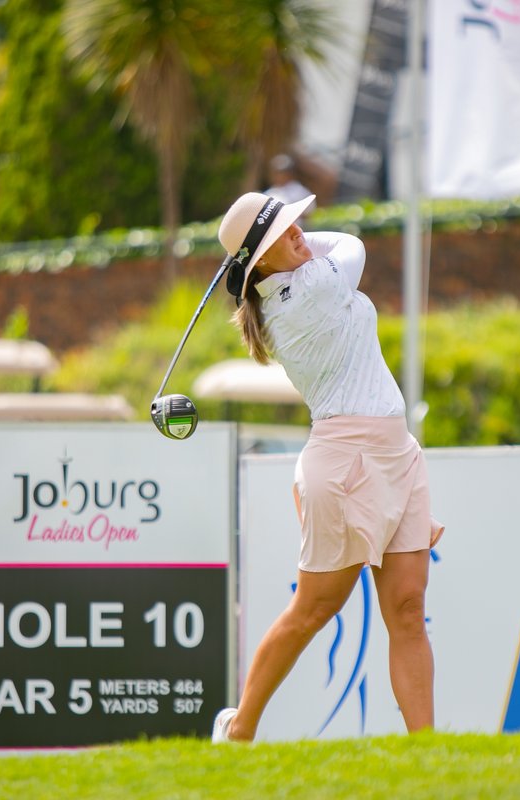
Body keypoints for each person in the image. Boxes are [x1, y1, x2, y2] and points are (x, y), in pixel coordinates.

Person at [210, 192, 442, 743]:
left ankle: (429, 754)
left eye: (295, 222)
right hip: (344, 461)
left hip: (395, 451)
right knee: (313, 610)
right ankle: (240, 728)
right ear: (261, 261)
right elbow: (353, 245)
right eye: (282, 231)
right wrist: (273, 249)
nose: (298, 232)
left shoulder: (293, 278)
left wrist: (266, 245)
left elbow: (328, 248)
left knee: (408, 608)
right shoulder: (305, 292)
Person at [263, 154, 316, 227]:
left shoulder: (300, 191)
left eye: (281, 173)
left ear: (289, 173)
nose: (279, 176)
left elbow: (308, 212)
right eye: (277, 173)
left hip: (297, 229)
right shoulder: (270, 193)